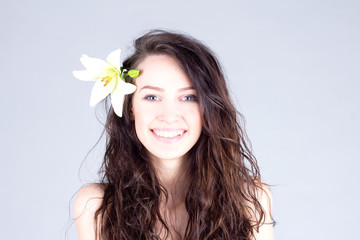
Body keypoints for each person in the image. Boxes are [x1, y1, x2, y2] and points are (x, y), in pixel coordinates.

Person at [73, 30, 274, 240]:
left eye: (188, 97)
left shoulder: (249, 199)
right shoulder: (96, 206)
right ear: (130, 108)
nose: (169, 116)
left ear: (209, 108)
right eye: (151, 97)